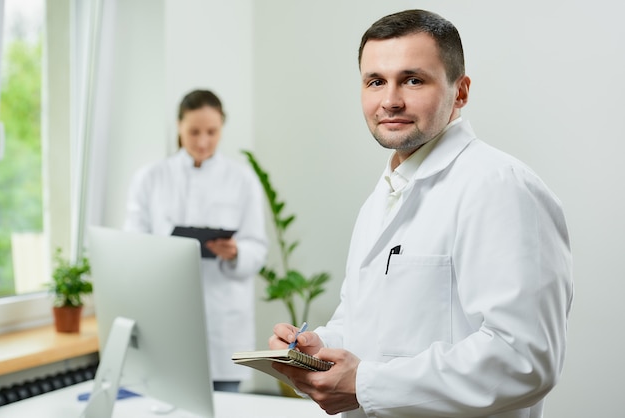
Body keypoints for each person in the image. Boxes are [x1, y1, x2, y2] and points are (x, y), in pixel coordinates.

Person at [269, 9, 573, 417]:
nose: (390, 100)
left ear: (460, 91)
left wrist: (366, 383)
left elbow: (524, 358)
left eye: (413, 80)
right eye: (375, 81)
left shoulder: (500, 187)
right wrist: (316, 349)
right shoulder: (384, 196)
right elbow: (364, 322)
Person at [124, 89, 268, 393]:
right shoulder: (150, 179)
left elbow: (257, 249)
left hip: (223, 323)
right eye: (193, 132)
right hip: (167, 320)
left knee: (226, 408)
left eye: (212, 132)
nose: (203, 141)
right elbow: (131, 248)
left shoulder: (242, 180)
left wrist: (235, 252)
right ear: (178, 126)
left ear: (222, 129)